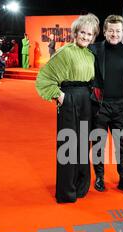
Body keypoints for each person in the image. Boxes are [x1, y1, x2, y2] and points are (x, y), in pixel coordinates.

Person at [35, 13, 100, 203]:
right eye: (83, 33)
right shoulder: (65, 52)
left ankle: (81, 186)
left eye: (90, 34)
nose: (86, 37)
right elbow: (44, 78)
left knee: (82, 146)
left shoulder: (90, 54)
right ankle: (66, 192)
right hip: (69, 100)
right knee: (68, 146)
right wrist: (60, 96)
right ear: (75, 32)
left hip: (86, 101)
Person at [89, 15, 123, 197]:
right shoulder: (93, 49)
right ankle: (99, 177)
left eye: (118, 31)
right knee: (98, 145)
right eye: (111, 30)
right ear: (105, 31)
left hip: (120, 106)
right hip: (100, 106)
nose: (114, 34)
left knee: (122, 146)